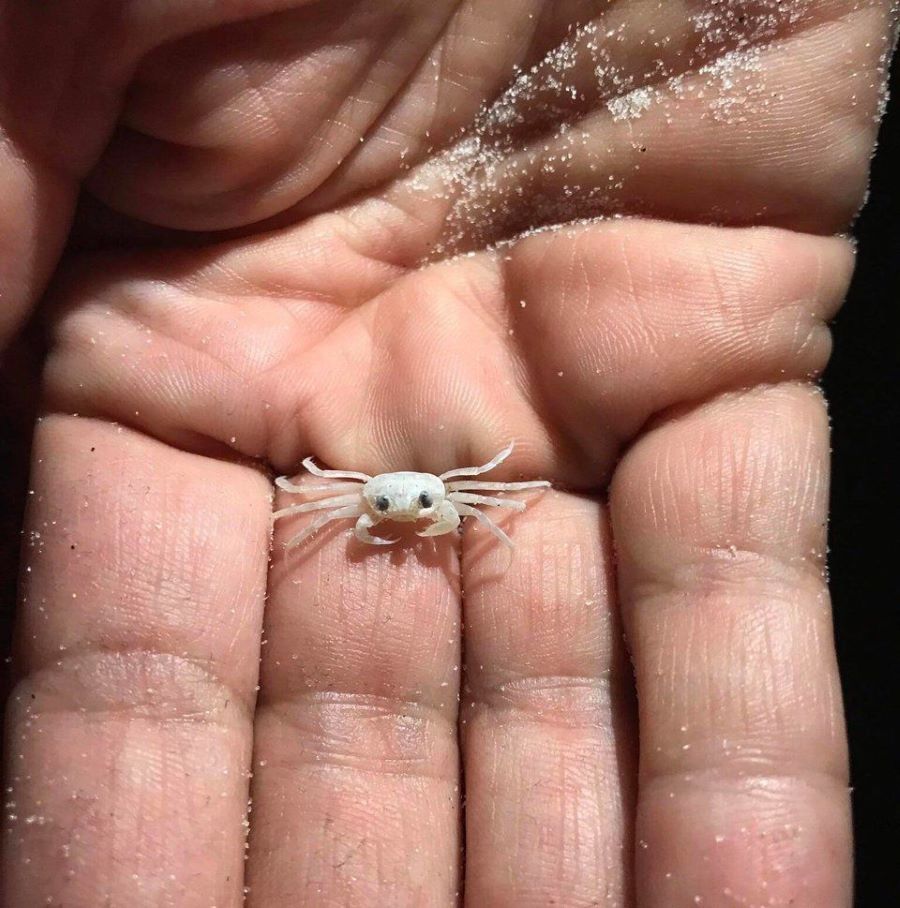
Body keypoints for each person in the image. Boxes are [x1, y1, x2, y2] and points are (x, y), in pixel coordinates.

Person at [0, 2, 893, 905]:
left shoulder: (444, 497)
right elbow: (331, 493)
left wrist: (445, 513)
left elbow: (455, 501)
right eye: (406, 513)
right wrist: (355, 502)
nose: (410, 523)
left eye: (421, 512)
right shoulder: (362, 497)